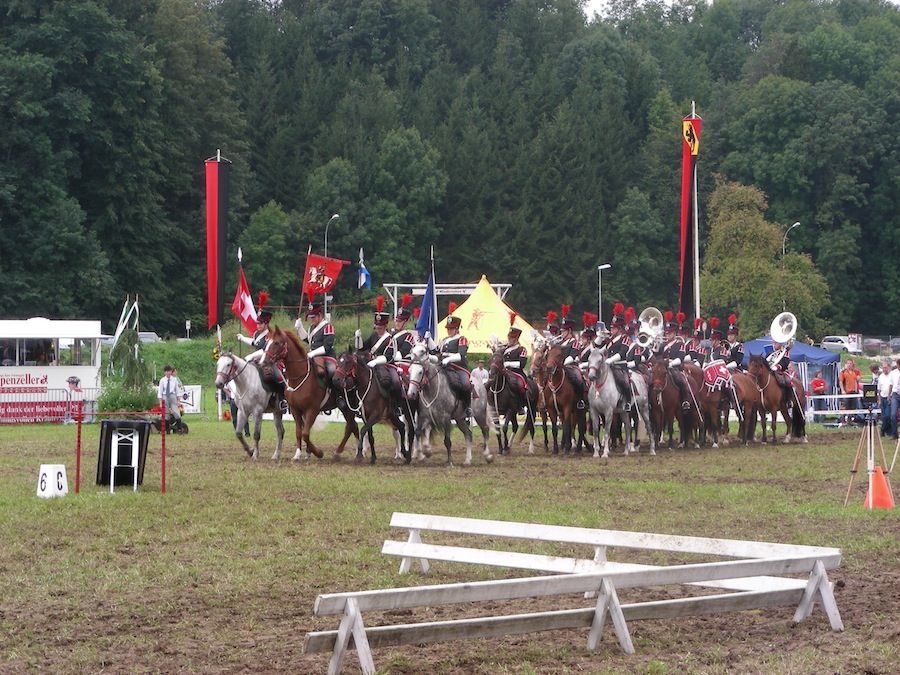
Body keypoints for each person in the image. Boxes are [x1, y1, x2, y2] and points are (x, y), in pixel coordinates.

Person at [360, 297, 404, 399]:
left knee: (395, 382)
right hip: (371, 363)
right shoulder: (373, 336)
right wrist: (358, 338)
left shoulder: (390, 339)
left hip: (386, 365)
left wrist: (375, 361)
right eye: (376, 327)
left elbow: (388, 357)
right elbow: (362, 348)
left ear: (385, 327)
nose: (377, 330)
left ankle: (395, 405)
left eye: (380, 328)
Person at [296, 300, 339, 404]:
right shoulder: (312, 327)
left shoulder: (327, 327)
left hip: (327, 357)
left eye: (313, 317)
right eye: (310, 317)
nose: (312, 319)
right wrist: (300, 328)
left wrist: (313, 353)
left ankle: (338, 396)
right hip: (313, 357)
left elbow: (327, 346)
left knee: (333, 371)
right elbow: (308, 339)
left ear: (319, 315)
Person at [435, 303, 473, 417]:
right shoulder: (445, 340)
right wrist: (428, 340)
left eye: (451, 329)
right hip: (443, 366)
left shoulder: (462, 339)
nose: (449, 331)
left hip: (458, 367)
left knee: (465, 384)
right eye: (448, 328)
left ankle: (467, 407)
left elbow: (461, 355)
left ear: (456, 329)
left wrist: (449, 359)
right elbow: (436, 351)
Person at [597, 304, 634, 410]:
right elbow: (597, 348)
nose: (611, 330)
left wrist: (609, 360)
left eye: (614, 328)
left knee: (622, 380)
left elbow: (622, 353)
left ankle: (628, 401)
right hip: (608, 366)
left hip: (620, 365)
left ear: (619, 329)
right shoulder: (609, 339)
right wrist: (600, 337)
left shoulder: (625, 338)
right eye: (611, 328)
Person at [658, 311, 692, 411]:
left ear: (674, 333)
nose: (667, 335)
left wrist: (671, 363)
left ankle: (685, 400)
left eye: (669, 333)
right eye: (666, 333)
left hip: (675, 367)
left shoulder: (680, 344)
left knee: (680, 380)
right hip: (664, 367)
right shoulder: (663, 345)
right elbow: (658, 356)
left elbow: (681, 357)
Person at [237, 292, 273, 362]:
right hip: (257, 361)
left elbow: (265, 351)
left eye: (261, 323)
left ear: (266, 324)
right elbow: (255, 342)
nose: (258, 325)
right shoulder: (256, 334)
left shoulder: (270, 335)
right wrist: (242, 338)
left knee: (277, 373)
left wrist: (252, 355)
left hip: (268, 362)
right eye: (257, 323)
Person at [500, 313, 529, 398]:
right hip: (504, 372)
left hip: (516, 373)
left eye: (511, 338)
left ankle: (521, 403)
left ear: (516, 338)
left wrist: (508, 364)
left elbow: (521, 364)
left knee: (520, 385)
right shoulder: (504, 348)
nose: (509, 339)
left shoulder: (522, 349)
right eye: (508, 337)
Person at [765, 340, 794, 409]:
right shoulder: (770, 353)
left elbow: (785, 362)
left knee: (787, 381)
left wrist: (777, 367)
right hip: (769, 371)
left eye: (776, 343)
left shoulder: (784, 352)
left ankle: (789, 400)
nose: (774, 345)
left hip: (781, 371)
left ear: (780, 343)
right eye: (773, 343)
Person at [157, 365, 184, 433]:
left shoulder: (174, 380)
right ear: (164, 372)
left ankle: (179, 429)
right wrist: (160, 402)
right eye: (166, 371)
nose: (167, 373)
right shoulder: (162, 380)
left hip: (172, 396)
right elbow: (160, 391)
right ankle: (167, 429)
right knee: (166, 414)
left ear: (171, 372)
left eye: (169, 371)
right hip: (165, 396)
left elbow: (177, 390)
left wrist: (178, 400)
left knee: (176, 412)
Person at [391, 293, 418, 361]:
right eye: (396, 321)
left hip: (402, 362)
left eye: (400, 322)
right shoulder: (392, 334)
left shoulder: (409, 336)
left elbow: (403, 351)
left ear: (405, 323)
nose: (397, 323)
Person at [838, 358, 861, 423]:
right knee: (846, 406)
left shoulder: (853, 373)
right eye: (848, 363)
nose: (849, 365)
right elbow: (841, 381)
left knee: (852, 407)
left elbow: (855, 382)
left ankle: (850, 421)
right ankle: (843, 420)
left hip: (853, 392)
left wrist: (856, 392)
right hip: (846, 392)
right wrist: (842, 390)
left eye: (850, 363)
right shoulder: (843, 372)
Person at [878, 362, 893, 436]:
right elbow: (879, 389)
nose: (884, 369)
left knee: (887, 415)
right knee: (884, 417)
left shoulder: (892, 375)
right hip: (882, 397)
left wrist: (889, 396)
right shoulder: (881, 376)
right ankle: (888, 432)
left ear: (889, 367)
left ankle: (882, 430)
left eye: (886, 367)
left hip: (890, 397)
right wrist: (879, 400)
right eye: (883, 368)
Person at [889, 359, 900, 439]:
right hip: (895, 394)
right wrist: (889, 395)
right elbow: (891, 384)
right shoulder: (893, 373)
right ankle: (894, 433)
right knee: (893, 414)